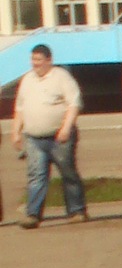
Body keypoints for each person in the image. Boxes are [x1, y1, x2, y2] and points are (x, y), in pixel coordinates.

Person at [12, 43, 86, 229]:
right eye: (33, 59)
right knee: (36, 176)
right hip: (33, 138)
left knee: (68, 173)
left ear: (49, 60)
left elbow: (74, 104)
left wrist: (66, 128)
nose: (35, 63)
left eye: (39, 59)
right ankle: (33, 215)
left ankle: (76, 211)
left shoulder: (61, 77)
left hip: (59, 137)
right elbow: (20, 108)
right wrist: (16, 132)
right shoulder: (27, 79)